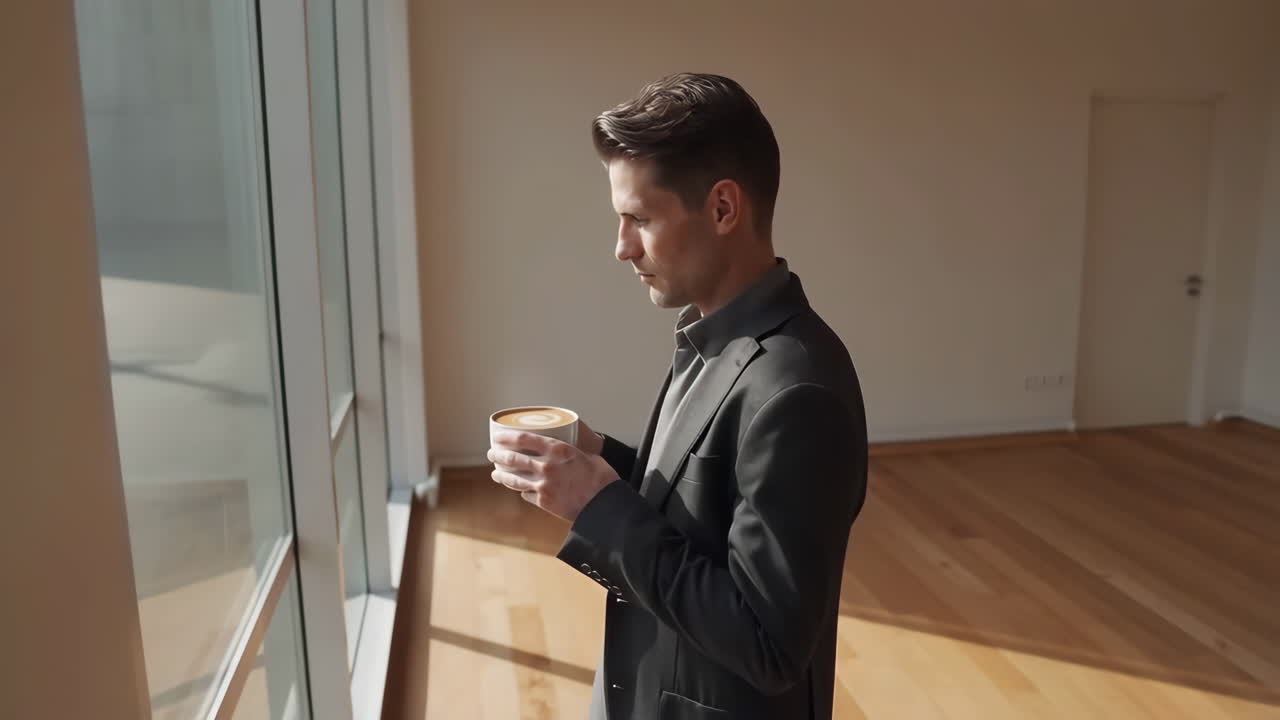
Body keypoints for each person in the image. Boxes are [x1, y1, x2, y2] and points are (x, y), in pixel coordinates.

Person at [488, 72, 868, 720]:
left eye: (639, 217)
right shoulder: (710, 334)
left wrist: (599, 507)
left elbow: (768, 642)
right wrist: (595, 452)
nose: (620, 247)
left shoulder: (799, 391)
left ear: (723, 209)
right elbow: (700, 511)